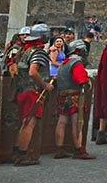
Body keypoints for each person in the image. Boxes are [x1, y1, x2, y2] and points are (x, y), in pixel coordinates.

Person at [12, 23, 54, 166]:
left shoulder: (24, 50)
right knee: (29, 122)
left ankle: (18, 151)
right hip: (32, 91)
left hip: (23, 89)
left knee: (25, 122)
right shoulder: (38, 52)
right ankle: (23, 154)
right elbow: (33, 72)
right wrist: (45, 85)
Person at [53, 40, 95, 159]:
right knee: (77, 123)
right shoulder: (76, 63)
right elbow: (81, 79)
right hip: (75, 95)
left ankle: (59, 149)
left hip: (63, 94)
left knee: (62, 122)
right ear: (79, 50)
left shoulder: (65, 62)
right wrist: (87, 82)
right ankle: (78, 150)